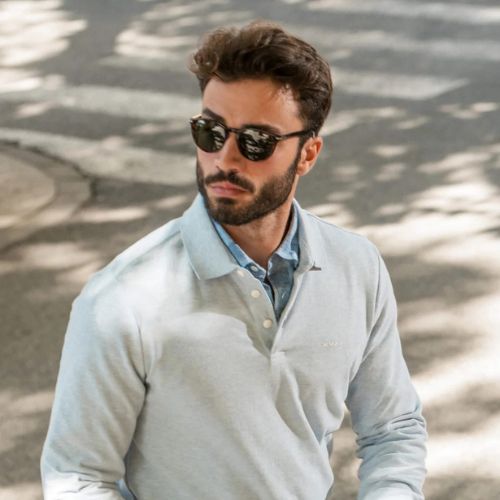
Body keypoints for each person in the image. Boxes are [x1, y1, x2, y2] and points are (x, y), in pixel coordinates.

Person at [41, 20, 427, 500]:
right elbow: (77, 477)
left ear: (307, 154)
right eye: (211, 132)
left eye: (256, 141)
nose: (225, 159)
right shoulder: (122, 298)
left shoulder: (356, 267)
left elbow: (393, 428)